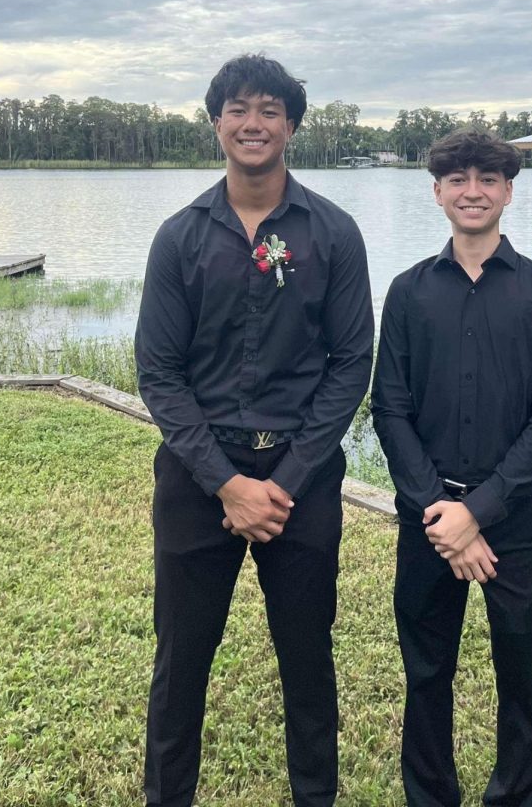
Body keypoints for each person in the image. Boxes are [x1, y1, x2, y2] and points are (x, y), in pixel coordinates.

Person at [135, 53, 374, 807]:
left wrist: (284, 481)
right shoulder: (179, 237)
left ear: (292, 127)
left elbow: (350, 364)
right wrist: (227, 484)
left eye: (270, 110)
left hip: (300, 482)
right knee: (181, 663)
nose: (253, 123)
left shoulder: (333, 233)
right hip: (197, 481)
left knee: (308, 659)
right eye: (238, 109)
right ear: (216, 124)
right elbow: (160, 376)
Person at [371, 128, 532, 807]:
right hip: (427, 519)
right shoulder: (408, 293)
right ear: (437, 193)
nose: (472, 191)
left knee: (520, 669)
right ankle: (430, 795)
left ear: (507, 193)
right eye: (458, 180)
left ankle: (518, 794)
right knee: (426, 668)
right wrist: (442, 513)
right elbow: (390, 410)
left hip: (514, 519)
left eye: (486, 179)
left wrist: (479, 513)